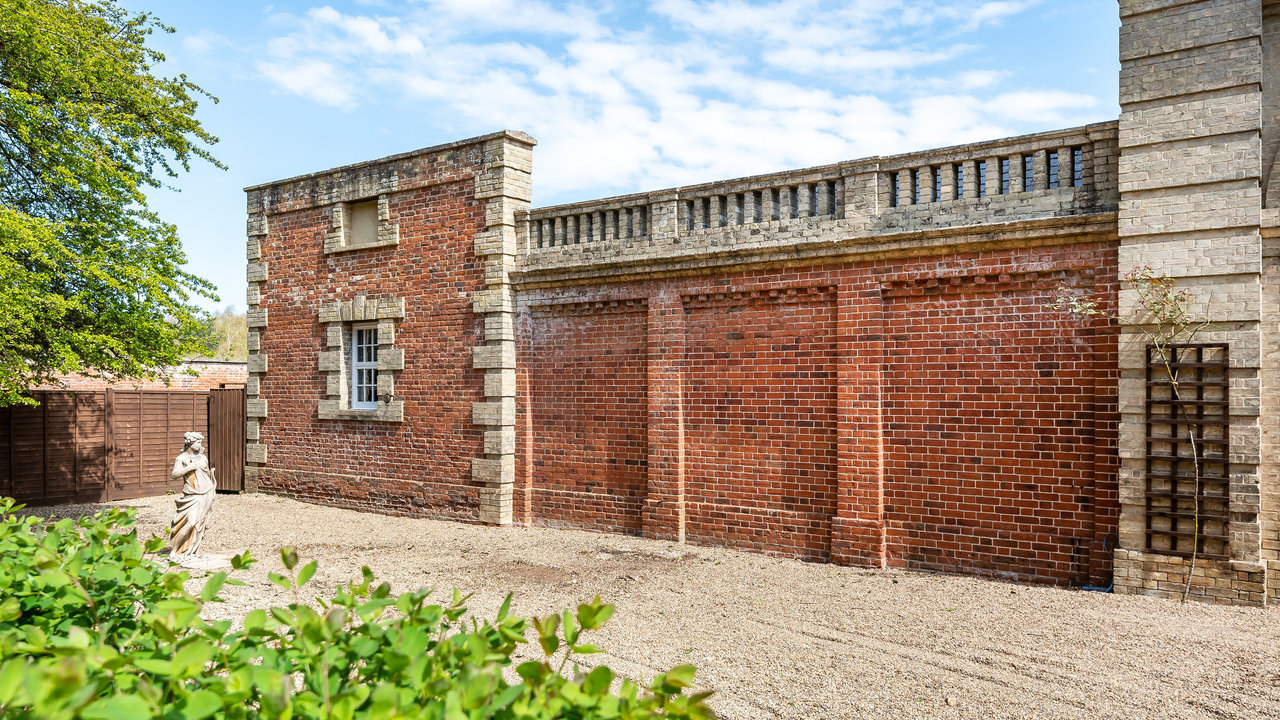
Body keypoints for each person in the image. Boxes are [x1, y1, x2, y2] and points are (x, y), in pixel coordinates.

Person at [170, 431, 217, 559]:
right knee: (190, 522)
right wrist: (189, 468)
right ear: (190, 443)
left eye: (200, 442)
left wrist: (212, 486)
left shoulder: (203, 458)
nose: (200, 445)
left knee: (199, 523)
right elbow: (174, 475)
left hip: (206, 492)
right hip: (192, 495)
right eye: (198, 442)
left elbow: (206, 474)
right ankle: (175, 550)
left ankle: (191, 550)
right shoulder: (181, 458)